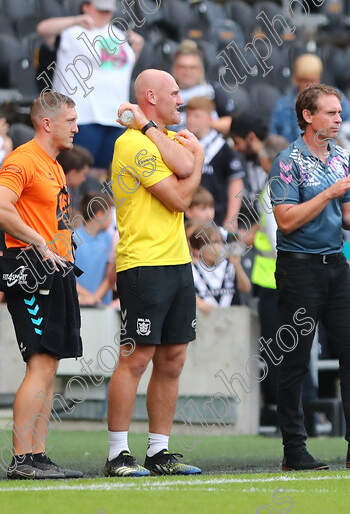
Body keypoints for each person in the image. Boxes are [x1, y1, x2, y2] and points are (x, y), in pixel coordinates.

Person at [267, 84, 350, 471]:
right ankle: (294, 449)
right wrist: (328, 194)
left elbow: (347, 215)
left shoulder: (340, 157)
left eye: (339, 113)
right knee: (295, 360)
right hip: (298, 267)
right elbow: (286, 221)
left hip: (334, 265)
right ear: (308, 117)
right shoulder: (286, 161)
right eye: (331, 113)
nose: (339, 119)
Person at [104, 69, 205, 477]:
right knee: (136, 357)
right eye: (175, 92)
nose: (182, 99)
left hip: (178, 262)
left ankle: (159, 451)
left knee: (174, 358)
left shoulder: (160, 138)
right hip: (143, 263)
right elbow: (182, 197)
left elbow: (182, 172)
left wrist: (189, 161)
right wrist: (197, 160)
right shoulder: (132, 144)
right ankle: (117, 454)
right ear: (151, 96)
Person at [0, 92, 84, 479]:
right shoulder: (22, 159)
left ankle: (37, 455)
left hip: (56, 269)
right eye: (70, 121)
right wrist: (36, 240)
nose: (77, 127)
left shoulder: (53, 164)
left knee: (49, 365)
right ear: (46, 123)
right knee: (38, 363)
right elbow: (1, 205)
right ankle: (21, 460)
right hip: (31, 269)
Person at [36, 0, 144, 177]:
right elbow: (43, 30)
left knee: (105, 175)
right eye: (100, 9)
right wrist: (76, 20)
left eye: (108, 10)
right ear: (86, 6)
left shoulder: (118, 33)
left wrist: (136, 50)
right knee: (73, 174)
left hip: (114, 117)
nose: (105, 14)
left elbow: (120, 70)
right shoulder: (71, 31)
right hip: (82, 115)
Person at [243, 134, 291, 430]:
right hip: (283, 278)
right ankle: (299, 409)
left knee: (275, 348)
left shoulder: (273, 187)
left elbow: (275, 239)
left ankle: (278, 409)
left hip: (272, 279)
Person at [269, 54, 350, 143]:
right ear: (296, 79)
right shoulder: (282, 106)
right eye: (305, 80)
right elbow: (274, 137)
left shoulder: (334, 97)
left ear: (319, 78)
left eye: (314, 80)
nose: (310, 85)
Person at [184, 96, 245, 224]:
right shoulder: (180, 145)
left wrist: (231, 219)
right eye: (188, 115)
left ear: (210, 119)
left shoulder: (222, 147)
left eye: (197, 116)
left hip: (216, 217)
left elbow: (236, 182)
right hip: (186, 218)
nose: (190, 120)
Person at [170, 39, 236, 134]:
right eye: (183, 67)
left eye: (192, 67)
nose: (187, 72)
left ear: (200, 69)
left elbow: (232, 122)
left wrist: (206, 124)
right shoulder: (167, 93)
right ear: (175, 69)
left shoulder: (212, 90)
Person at [187, 223, 251, 313]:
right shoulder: (192, 269)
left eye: (219, 242)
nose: (216, 247)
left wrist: (237, 265)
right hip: (203, 321)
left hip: (231, 319)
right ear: (197, 250)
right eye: (211, 243)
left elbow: (246, 288)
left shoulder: (229, 264)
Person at [74, 193, 115, 307]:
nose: (112, 218)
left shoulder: (110, 239)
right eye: (110, 213)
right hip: (78, 305)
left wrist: (95, 298)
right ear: (100, 215)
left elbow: (111, 275)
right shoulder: (73, 238)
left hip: (103, 306)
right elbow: (67, 276)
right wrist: (88, 297)